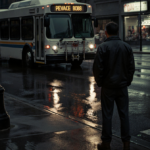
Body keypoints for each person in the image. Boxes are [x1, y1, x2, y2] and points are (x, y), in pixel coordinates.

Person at [93, 22, 135, 150]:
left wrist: (101, 83)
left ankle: (106, 143)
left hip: (108, 87)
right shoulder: (126, 47)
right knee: (124, 115)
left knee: (107, 114)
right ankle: (126, 143)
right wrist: (127, 81)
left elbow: (97, 68)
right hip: (122, 86)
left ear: (106, 32)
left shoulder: (103, 47)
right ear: (118, 32)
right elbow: (131, 68)